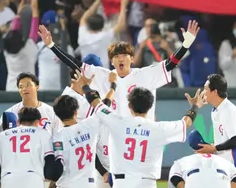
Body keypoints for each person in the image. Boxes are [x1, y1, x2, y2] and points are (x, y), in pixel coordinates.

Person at [38, 19, 199, 120]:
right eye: (116, 56)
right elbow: (74, 63)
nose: (120, 59)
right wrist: (51, 45)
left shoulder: (145, 74)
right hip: (115, 139)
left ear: (132, 58)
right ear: (111, 61)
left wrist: (185, 45)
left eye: (124, 55)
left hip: (142, 134)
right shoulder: (103, 75)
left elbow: (170, 64)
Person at [78, 0, 127, 68]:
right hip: (102, 73)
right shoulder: (104, 36)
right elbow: (121, 24)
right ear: (102, 26)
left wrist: (98, 1)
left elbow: (83, 18)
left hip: (85, 73)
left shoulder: (82, 35)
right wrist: (123, 5)